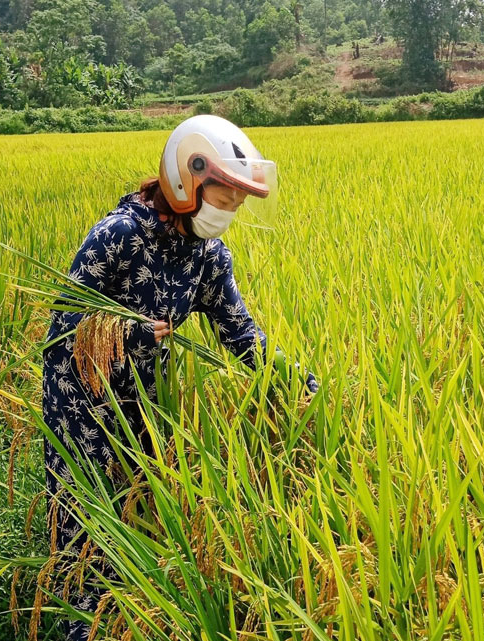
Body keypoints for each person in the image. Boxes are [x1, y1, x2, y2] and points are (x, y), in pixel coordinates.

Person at [41, 114, 318, 641]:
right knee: (84, 532)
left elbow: (241, 334)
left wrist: (295, 381)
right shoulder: (118, 236)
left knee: (140, 516)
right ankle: (78, 625)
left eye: (236, 204)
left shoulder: (209, 256)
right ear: (185, 178)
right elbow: (61, 329)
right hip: (82, 405)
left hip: (146, 404)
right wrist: (132, 334)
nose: (228, 212)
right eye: (223, 197)